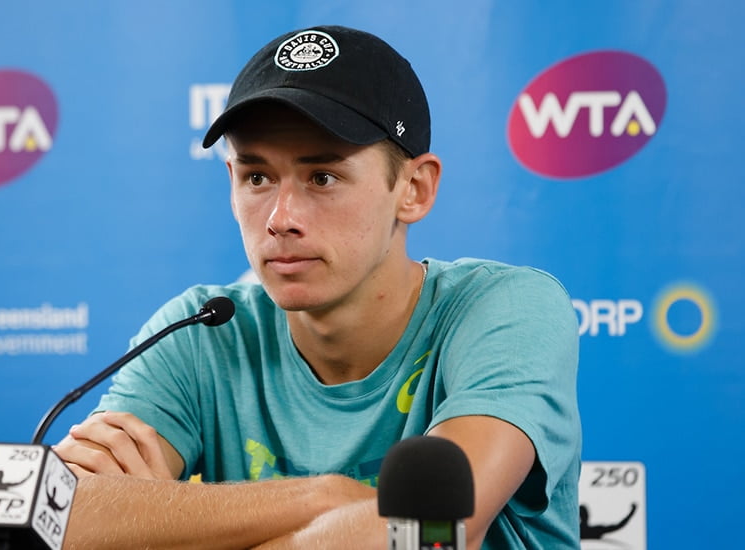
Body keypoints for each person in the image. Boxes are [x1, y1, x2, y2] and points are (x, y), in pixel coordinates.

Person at [54, 25, 581, 550]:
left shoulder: (505, 309)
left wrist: (166, 524)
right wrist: (320, 499)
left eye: (322, 177)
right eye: (257, 178)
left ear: (414, 190)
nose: (280, 219)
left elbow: (434, 525)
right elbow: (65, 512)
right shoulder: (201, 331)